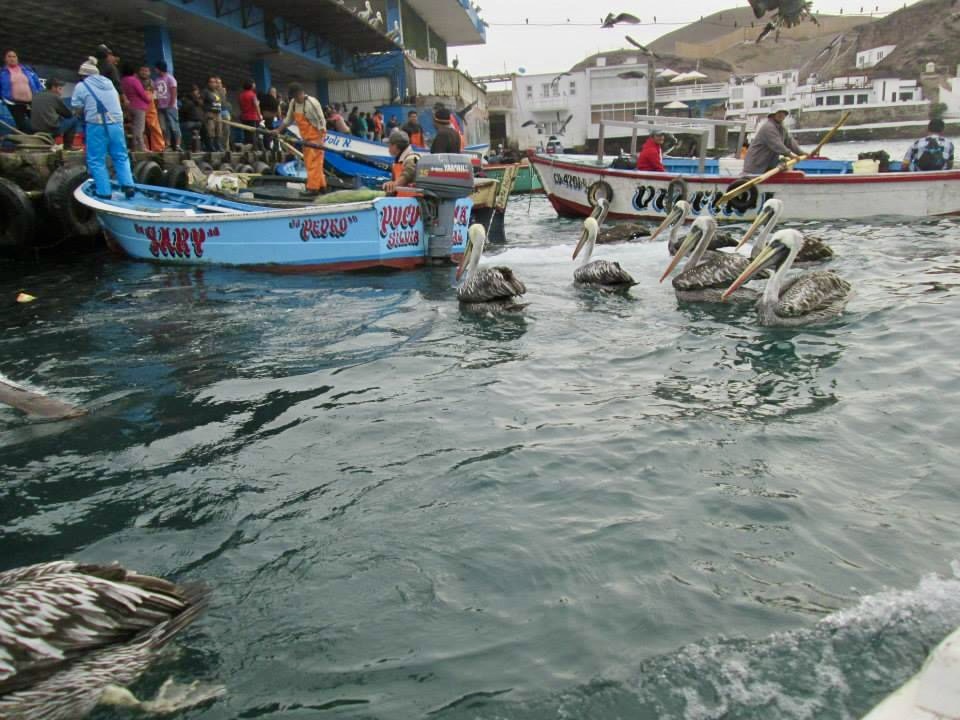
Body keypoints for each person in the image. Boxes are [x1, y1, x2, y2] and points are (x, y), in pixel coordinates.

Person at [71, 56, 136, 199]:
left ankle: (104, 191)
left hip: (96, 124)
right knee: (120, 156)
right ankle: (128, 185)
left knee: (96, 159)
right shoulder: (109, 83)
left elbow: (76, 108)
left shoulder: (82, 86)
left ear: (83, 75)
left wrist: (81, 113)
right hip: (116, 124)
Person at [275, 82, 327, 195]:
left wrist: (320, 141)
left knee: (312, 164)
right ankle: (322, 187)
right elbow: (288, 120)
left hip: (316, 137)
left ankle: (313, 189)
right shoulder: (293, 103)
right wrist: (278, 130)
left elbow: (322, 122)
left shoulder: (312, 103)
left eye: (298, 95)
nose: (297, 98)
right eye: (294, 96)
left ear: (302, 93)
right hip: (305, 139)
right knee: (314, 164)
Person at [743, 106, 804, 174]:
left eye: (783, 113)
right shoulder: (768, 127)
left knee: (783, 164)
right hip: (755, 165)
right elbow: (777, 145)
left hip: (768, 164)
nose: (781, 115)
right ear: (772, 115)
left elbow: (790, 142)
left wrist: (802, 153)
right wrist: (791, 155)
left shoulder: (782, 128)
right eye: (779, 113)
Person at [30, 77, 80, 149]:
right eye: (60, 89)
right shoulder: (54, 97)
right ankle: (68, 146)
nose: (61, 92)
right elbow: (68, 115)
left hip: (35, 129)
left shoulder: (35, 95)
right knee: (74, 119)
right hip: (50, 130)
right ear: (53, 87)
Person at [1, 49, 42, 132]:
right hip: (13, 104)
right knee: (23, 125)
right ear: (5, 59)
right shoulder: (1, 73)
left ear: (17, 58)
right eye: (9, 56)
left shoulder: (28, 70)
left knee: (39, 123)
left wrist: (39, 96)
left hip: (31, 102)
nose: (12, 58)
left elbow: (38, 85)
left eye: (14, 56)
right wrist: (3, 98)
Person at [120, 62, 150, 151]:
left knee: (132, 128)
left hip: (127, 106)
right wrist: (148, 100)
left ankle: (133, 147)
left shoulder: (122, 81)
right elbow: (142, 93)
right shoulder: (134, 80)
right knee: (139, 128)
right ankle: (141, 147)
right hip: (139, 107)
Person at [153, 60, 181, 151]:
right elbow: (155, 94)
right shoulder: (156, 80)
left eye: (156, 68)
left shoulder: (170, 78)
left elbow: (174, 92)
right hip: (161, 107)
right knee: (163, 127)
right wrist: (156, 105)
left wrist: (171, 104)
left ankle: (177, 145)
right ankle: (167, 144)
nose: (155, 70)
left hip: (171, 107)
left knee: (174, 126)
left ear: (159, 69)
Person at [382, 129, 419, 194]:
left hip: (411, 202)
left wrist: (394, 184)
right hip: (399, 201)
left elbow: (408, 174)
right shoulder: (398, 160)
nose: (388, 148)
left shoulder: (412, 158)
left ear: (395, 146)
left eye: (389, 145)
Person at [141, 67, 166, 152]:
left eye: (146, 71)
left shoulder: (152, 83)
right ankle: (145, 147)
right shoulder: (137, 82)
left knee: (154, 126)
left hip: (150, 106)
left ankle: (159, 147)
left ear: (149, 73)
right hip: (140, 106)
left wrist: (155, 105)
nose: (144, 72)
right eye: (142, 71)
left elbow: (155, 97)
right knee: (142, 128)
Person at [238, 79, 262, 150]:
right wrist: (259, 116)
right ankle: (254, 148)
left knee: (246, 134)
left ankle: (247, 148)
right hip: (253, 117)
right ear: (251, 85)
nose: (255, 85)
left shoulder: (241, 95)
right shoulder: (253, 95)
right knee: (253, 134)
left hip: (244, 117)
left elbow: (240, 106)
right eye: (254, 83)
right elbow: (256, 106)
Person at [201, 75, 223, 151]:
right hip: (210, 113)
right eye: (211, 82)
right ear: (208, 83)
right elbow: (200, 102)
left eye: (214, 82)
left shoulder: (217, 92)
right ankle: (211, 146)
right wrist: (205, 112)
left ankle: (218, 145)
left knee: (219, 130)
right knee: (211, 130)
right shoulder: (205, 91)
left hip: (218, 113)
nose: (213, 84)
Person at [179, 85, 204, 150]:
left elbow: (182, 111)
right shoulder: (199, 102)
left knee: (179, 128)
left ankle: (187, 146)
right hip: (200, 123)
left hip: (190, 122)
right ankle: (197, 147)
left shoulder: (187, 101)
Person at [259, 86, 280, 151]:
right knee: (275, 134)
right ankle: (275, 148)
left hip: (263, 119)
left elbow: (260, 108)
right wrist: (279, 119)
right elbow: (278, 112)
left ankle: (266, 147)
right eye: (274, 92)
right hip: (272, 119)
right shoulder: (275, 101)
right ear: (273, 92)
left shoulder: (263, 99)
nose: (275, 93)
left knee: (266, 133)